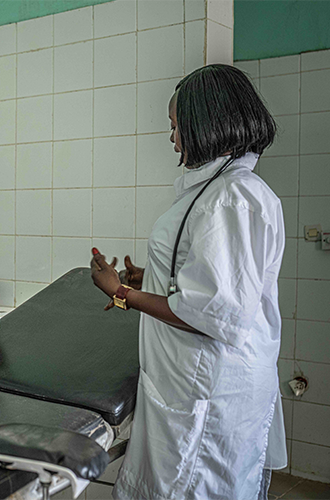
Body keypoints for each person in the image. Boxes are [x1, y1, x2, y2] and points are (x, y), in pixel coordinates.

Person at [90, 64, 285, 499]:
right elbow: (211, 281)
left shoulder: (234, 198)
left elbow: (212, 313)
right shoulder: (216, 191)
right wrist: (153, 276)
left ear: (205, 126)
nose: (172, 138)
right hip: (189, 384)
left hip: (209, 392)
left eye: (176, 126)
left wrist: (121, 292)